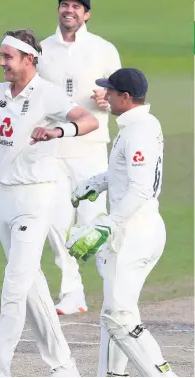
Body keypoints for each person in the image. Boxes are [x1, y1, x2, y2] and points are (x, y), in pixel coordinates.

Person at [0, 29, 100, 377]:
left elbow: (89, 120)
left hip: (36, 197)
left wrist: (58, 132)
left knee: (14, 287)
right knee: (31, 287)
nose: (1, 62)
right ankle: (63, 367)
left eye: (8, 57)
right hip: (4, 197)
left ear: (29, 58)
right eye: (1, 55)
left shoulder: (48, 94)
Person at [67, 68, 177, 377]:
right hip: (141, 228)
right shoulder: (141, 124)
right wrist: (97, 183)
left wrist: (107, 223)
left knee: (118, 316)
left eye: (111, 92)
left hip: (134, 232)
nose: (107, 95)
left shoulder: (138, 130)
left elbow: (140, 188)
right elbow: (126, 174)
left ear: (125, 98)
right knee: (116, 312)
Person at [37, 0, 123, 315]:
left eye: (76, 6)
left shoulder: (103, 49)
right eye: (64, 4)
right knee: (57, 223)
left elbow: (122, 95)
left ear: (86, 14)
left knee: (93, 224)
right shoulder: (42, 50)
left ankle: (114, 291)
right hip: (54, 151)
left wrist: (107, 99)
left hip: (91, 149)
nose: (69, 10)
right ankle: (72, 294)